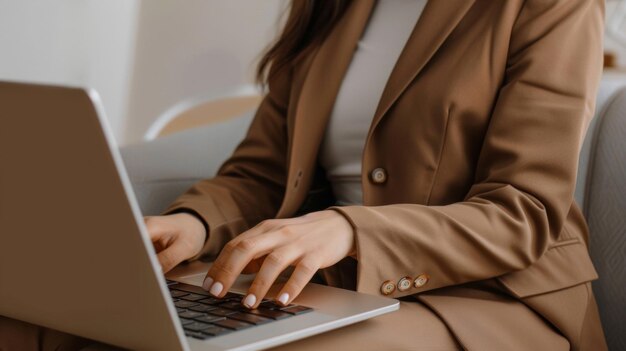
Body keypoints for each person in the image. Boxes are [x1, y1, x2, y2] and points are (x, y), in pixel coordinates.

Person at [0, 0, 608, 349]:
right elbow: (260, 172)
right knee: (43, 322)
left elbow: (521, 209)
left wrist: (349, 231)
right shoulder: (331, 7)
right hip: (327, 287)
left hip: (493, 298)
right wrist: (192, 222)